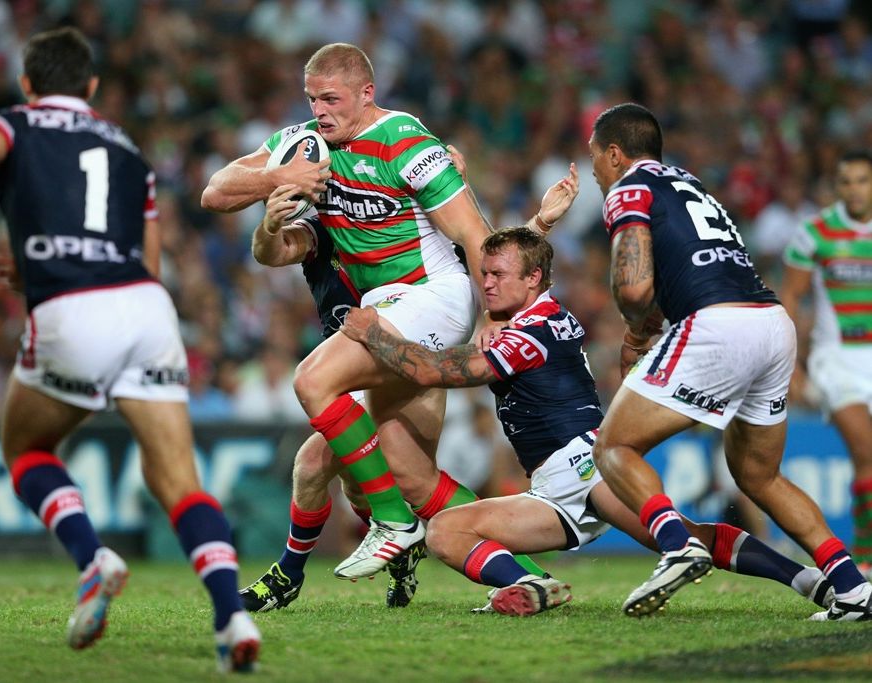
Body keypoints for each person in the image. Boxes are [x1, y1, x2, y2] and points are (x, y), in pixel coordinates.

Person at [201, 43, 565, 580]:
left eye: (331, 98)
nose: (319, 110)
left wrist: (493, 316)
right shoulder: (303, 148)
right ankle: (528, 576)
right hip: (385, 311)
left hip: (433, 294)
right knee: (411, 473)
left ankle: (391, 523)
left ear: (367, 94)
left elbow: (472, 233)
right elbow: (216, 192)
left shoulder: (404, 139)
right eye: (312, 99)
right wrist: (279, 183)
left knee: (312, 381)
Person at [341, 226, 835, 616]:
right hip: (556, 484)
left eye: (497, 275)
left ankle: (809, 579)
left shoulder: (528, 334)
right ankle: (531, 585)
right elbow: (492, 311)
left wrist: (374, 334)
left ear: (532, 279)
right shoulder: (543, 316)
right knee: (448, 533)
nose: (486, 283)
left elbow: (432, 370)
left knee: (684, 541)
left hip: (583, 465)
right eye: (484, 273)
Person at [0, 28, 260, 671]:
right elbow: (145, 259)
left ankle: (93, 557)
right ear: (92, 88)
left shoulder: (8, 122)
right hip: (147, 309)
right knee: (178, 480)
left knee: (24, 449)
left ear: (27, 84)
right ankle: (230, 616)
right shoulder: (127, 149)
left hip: (76, 311)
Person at [234, 146, 577, 611]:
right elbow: (271, 251)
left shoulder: (414, 222)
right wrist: (271, 222)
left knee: (387, 475)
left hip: (404, 345)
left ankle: (301, 569)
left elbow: (489, 260)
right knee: (337, 474)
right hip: (355, 354)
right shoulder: (325, 228)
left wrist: (537, 223)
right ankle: (399, 550)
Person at [586, 102, 872, 620]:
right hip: (772, 324)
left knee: (613, 447)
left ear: (614, 152)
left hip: (717, 326)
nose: (593, 172)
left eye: (594, 159)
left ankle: (677, 543)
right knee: (759, 475)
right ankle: (852, 586)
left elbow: (632, 287)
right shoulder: (693, 185)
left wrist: (635, 328)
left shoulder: (628, 187)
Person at [779, 150, 872, 580]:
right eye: (846, 181)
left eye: (862, 180)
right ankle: (865, 553)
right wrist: (791, 363)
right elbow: (792, 298)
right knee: (866, 453)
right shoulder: (814, 233)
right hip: (836, 359)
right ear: (837, 187)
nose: (854, 188)